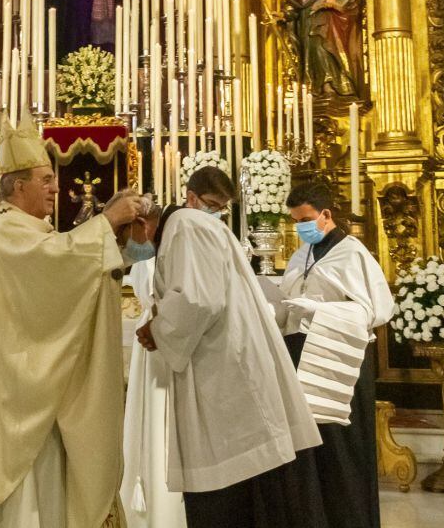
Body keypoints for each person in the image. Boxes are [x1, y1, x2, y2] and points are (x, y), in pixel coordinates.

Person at [0, 110, 143, 528]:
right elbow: (58, 265)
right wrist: (107, 222)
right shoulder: (2, 231)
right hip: (18, 389)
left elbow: (63, 268)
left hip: (40, 381)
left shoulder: (31, 229)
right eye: (45, 180)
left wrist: (111, 228)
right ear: (18, 186)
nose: (57, 187)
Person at [135, 167, 324, 528]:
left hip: (222, 366)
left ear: (144, 221)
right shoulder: (194, 226)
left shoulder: (186, 224)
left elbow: (198, 299)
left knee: (227, 483)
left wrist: (158, 329)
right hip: (225, 357)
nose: (131, 244)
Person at [280, 183, 395, 528]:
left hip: (340, 359)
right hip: (301, 354)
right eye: (295, 222)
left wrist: (321, 310)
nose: (300, 228)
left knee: (341, 450)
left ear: (326, 215)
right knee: (310, 449)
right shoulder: (300, 256)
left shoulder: (353, 253)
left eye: (305, 220)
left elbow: (376, 310)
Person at [120, 198, 188, 528]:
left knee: (162, 422)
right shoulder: (149, 254)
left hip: (165, 334)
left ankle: (164, 506)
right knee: (152, 420)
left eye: (140, 224)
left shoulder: (169, 251)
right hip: (156, 335)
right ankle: (147, 499)